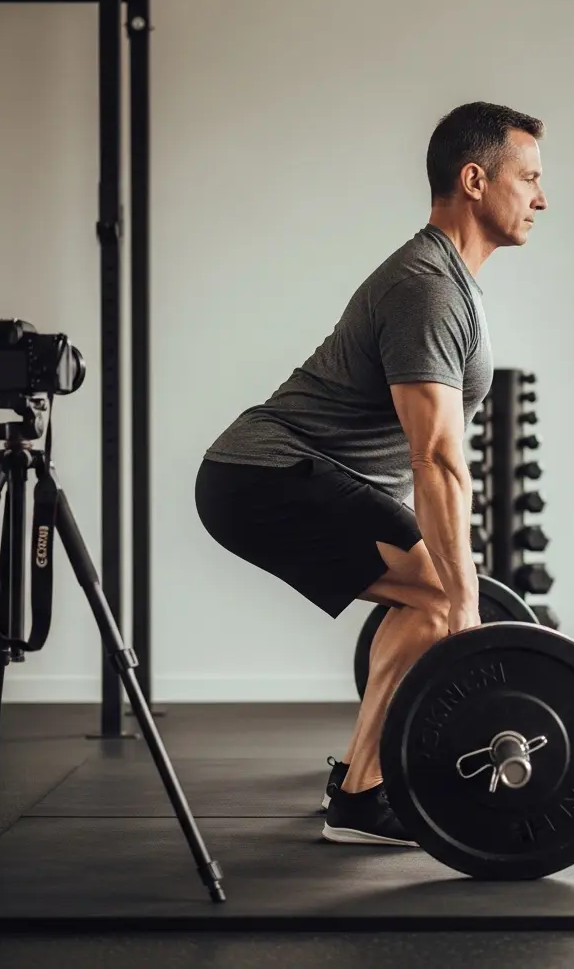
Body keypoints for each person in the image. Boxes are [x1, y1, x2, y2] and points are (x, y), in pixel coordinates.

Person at [195, 101, 548, 846]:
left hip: (279, 473)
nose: (541, 198)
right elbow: (438, 459)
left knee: (432, 596)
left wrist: (458, 595)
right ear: (476, 180)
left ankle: (362, 776)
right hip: (267, 473)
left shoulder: (450, 283)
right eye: (530, 178)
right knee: (437, 596)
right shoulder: (428, 288)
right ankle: (361, 797)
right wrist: (464, 608)